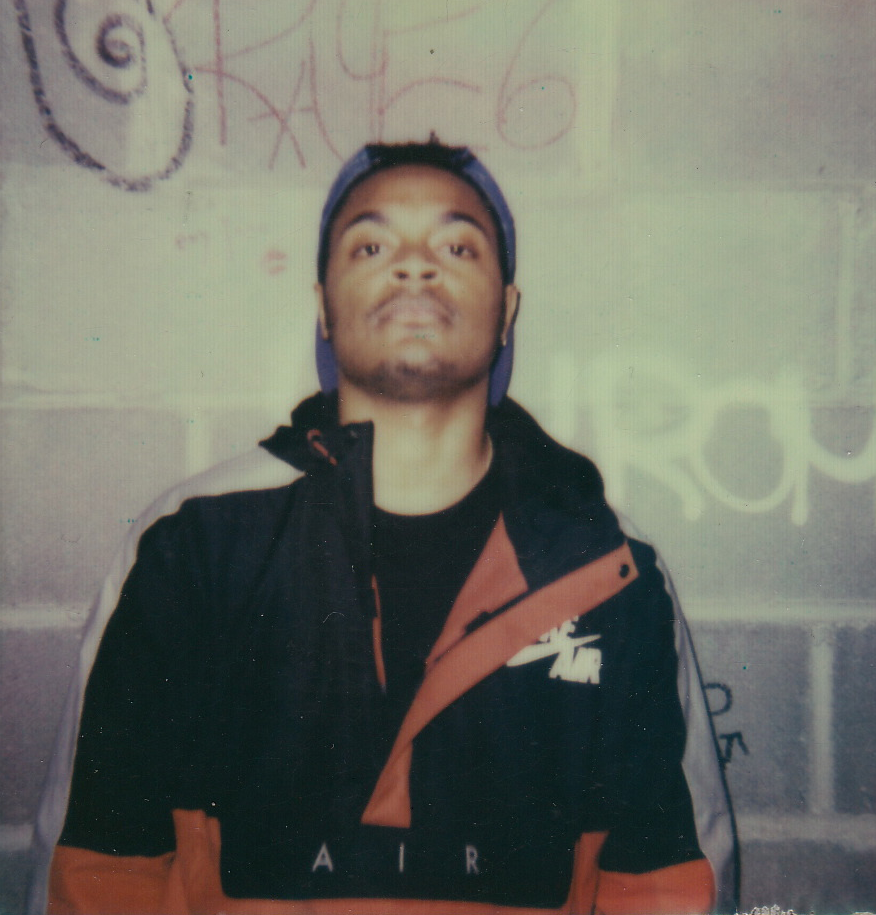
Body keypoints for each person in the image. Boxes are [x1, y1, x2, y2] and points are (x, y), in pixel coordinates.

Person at [29, 139, 737, 914]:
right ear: (322, 307)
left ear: (506, 310)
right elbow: (96, 876)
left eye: (456, 246)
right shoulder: (193, 546)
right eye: (371, 246)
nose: (414, 266)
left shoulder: (606, 567)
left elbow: (666, 886)